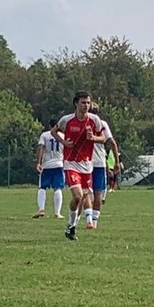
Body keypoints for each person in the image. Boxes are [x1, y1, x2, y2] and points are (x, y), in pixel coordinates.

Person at [51, 90, 105, 241]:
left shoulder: (94, 120)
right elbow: (54, 131)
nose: (86, 106)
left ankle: (71, 226)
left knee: (82, 198)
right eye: (83, 102)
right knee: (78, 196)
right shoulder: (67, 120)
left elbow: (103, 138)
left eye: (88, 102)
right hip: (70, 163)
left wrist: (94, 137)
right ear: (76, 103)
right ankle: (71, 225)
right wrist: (63, 142)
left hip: (87, 165)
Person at [88, 103, 120, 229]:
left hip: (85, 162)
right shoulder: (102, 124)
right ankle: (94, 222)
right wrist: (117, 161)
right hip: (99, 162)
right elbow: (112, 142)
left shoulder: (84, 123)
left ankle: (88, 219)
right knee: (98, 192)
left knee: (85, 192)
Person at [33, 118, 65, 219]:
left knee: (42, 187)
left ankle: (41, 209)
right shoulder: (63, 136)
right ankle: (57, 213)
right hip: (59, 164)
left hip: (47, 165)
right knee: (57, 188)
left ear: (49, 126)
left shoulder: (45, 135)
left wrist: (38, 162)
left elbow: (40, 148)